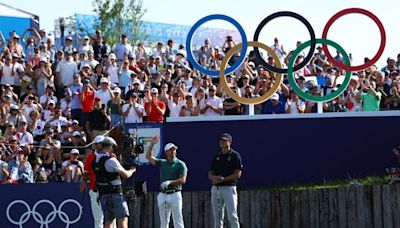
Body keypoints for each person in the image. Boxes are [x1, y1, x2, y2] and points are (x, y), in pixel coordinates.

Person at [93, 136, 136, 228]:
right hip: (115, 193)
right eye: (112, 147)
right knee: (123, 218)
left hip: (103, 193)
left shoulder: (95, 160)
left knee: (108, 220)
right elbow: (126, 175)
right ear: (109, 147)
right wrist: (132, 170)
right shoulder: (111, 160)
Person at [145, 136, 188, 228]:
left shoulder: (181, 164)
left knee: (178, 222)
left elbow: (183, 180)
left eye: (174, 149)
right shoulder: (162, 163)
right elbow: (148, 157)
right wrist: (152, 144)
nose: (173, 151)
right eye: (171, 150)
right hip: (163, 195)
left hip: (175, 194)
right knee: (164, 223)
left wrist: (169, 182)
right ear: (166, 152)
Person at [208, 133, 243, 228]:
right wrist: (215, 179)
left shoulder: (235, 156)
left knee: (232, 216)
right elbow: (210, 174)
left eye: (224, 140)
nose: (222, 142)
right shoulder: (216, 157)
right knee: (218, 218)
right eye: (221, 140)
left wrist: (223, 179)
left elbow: (238, 174)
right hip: (216, 189)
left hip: (229, 188)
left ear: (230, 142)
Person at [80, 135, 105, 228]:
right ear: (95, 145)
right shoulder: (90, 157)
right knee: (98, 219)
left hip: (109, 191)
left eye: (102, 143)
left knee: (111, 218)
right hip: (95, 190)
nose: (101, 145)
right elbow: (86, 173)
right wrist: (83, 183)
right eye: (99, 143)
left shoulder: (111, 156)